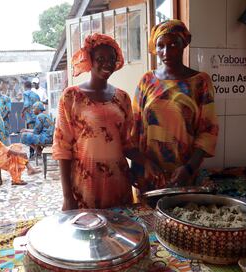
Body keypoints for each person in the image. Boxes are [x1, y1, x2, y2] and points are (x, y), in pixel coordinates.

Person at [128, 20, 219, 192]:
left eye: (172, 44)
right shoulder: (147, 80)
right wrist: (139, 166)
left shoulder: (200, 82)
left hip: (183, 173)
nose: (166, 51)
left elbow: (208, 131)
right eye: (160, 46)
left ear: (183, 44)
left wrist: (189, 168)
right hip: (149, 174)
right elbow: (135, 128)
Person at [52, 33, 133, 210]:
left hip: (118, 181)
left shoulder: (123, 98)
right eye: (100, 58)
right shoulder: (71, 96)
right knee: (88, 233)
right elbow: (62, 148)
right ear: (89, 60)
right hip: (85, 184)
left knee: (120, 233)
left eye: (112, 58)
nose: (107, 63)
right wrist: (67, 196)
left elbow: (128, 144)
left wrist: (150, 164)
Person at [0, 115, 40, 185]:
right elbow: (4, 149)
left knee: (15, 147)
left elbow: (0, 148)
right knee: (14, 155)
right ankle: (17, 179)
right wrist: (21, 154)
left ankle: (29, 169)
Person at [21, 81, 40, 158]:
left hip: (30, 118)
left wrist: (22, 111)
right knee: (36, 134)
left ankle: (33, 153)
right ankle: (38, 151)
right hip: (37, 117)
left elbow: (26, 104)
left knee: (29, 136)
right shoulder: (36, 94)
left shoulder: (26, 93)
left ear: (25, 86)